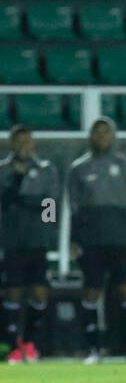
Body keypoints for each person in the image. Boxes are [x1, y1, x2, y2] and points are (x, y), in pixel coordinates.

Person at [67, 117, 126, 364]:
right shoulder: (78, 168)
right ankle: (93, 350)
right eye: (97, 133)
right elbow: (74, 208)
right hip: (91, 241)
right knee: (91, 291)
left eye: (106, 132)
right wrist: (73, 239)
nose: (101, 137)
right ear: (90, 137)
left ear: (114, 136)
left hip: (121, 239)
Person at [1, 126, 58, 364]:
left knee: (38, 291)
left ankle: (31, 343)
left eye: (27, 141)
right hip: (11, 240)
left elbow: (51, 206)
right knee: (12, 292)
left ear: (34, 144)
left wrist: (46, 230)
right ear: (11, 144)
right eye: (18, 141)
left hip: (37, 240)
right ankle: (13, 346)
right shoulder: (3, 170)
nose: (23, 145)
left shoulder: (46, 170)